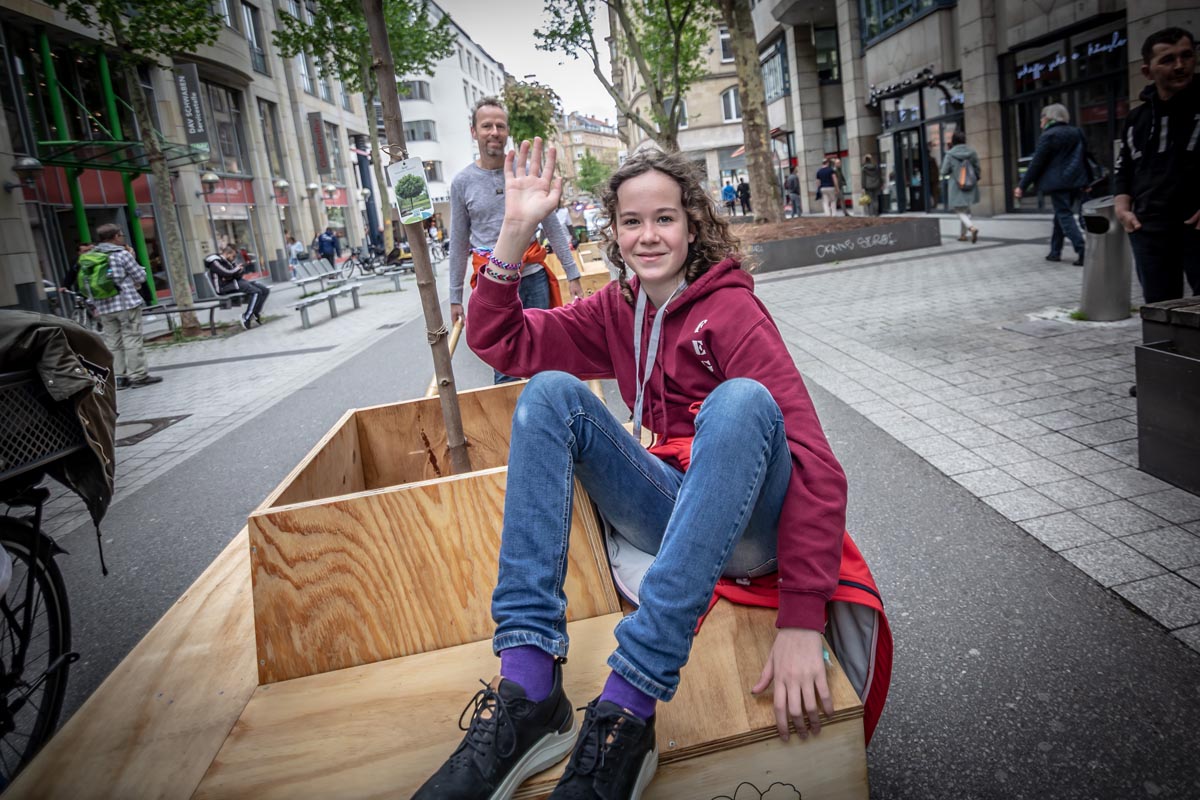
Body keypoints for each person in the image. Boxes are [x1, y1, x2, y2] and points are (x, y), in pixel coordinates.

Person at [413, 140, 847, 799]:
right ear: (613, 233)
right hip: (674, 507)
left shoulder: (733, 311)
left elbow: (816, 464)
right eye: (631, 222)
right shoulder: (617, 309)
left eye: (664, 218)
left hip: (752, 529)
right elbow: (501, 342)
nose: (648, 236)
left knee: (742, 402)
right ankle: (528, 689)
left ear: (693, 223)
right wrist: (515, 230)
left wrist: (801, 617)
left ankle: (628, 706)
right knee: (550, 395)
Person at [448, 96, 583, 384]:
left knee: (546, 361)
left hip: (532, 279)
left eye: (500, 125)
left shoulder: (526, 176)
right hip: (492, 285)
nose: (494, 132)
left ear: (507, 131)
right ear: (474, 132)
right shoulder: (463, 182)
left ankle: (550, 423)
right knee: (505, 367)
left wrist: (573, 273)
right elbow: (458, 242)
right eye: (486, 126)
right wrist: (454, 296)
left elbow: (552, 226)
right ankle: (514, 425)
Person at [1115, 26, 1200, 303]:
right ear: (1147, 71)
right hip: (1149, 228)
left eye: (1186, 56)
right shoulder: (1137, 118)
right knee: (1160, 312)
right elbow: (1124, 166)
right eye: (1167, 59)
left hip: (1196, 223)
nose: (1179, 66)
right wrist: (1122, 208)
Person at [85, 224, 161, 389]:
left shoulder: (90, 256)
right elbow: (140, 276)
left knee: (113, 342)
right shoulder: (121, 254)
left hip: (103, 307)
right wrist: (132, 257)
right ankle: (138, 376)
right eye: (121, 235)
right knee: (132, 338)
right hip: (126, 304)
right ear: (115, 237)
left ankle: (119, 377)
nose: (122, 238)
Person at [1013, 103, 1089, 266]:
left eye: (1042, 118)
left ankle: (1082, 249)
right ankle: (1055, 252)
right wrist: (1087, 180)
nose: (1040, 122)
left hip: (1059, 183)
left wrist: (1022, 186)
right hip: (1076, 181)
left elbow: (1036, 163)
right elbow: (1085, 157)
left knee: (1064, 215)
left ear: (1048, 118)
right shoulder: (1076, 132)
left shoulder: (1049, 135)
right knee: (1060, 216)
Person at [204, 244, 270, 329]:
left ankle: (254, 314)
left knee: (264, 290)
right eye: (233, 256)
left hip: (233, 282)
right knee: (256, 292)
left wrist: (237, 271)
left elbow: (236, 275)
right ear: (228, 254)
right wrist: (235, 270)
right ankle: (246, 317)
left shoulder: (229, 262)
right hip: (223, 287)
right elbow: (226, 273)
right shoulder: (215, 262)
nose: (234, 258)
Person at [940, 130, 981, 243]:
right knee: (966, 210)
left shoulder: (950, 154)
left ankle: (971, 227)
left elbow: (943, 171)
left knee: (958, 210)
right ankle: (963, 235)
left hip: (957, 186)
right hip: (970, 184)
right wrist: (974, 179)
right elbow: (977, 169)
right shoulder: (972, 152)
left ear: (953, 141)